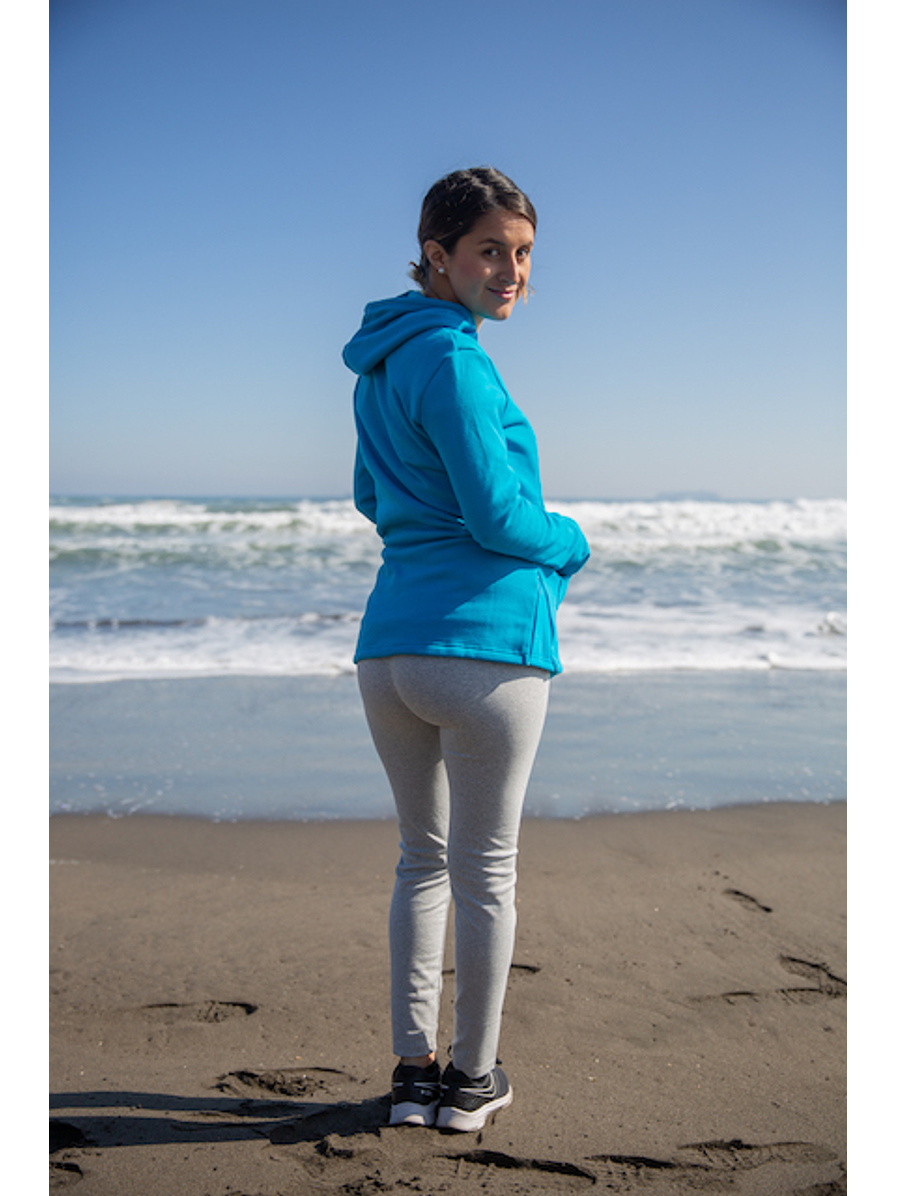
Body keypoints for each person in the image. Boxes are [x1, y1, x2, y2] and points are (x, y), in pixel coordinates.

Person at [342, 167, 590, 1132]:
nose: (511, 271)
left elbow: (371, 498)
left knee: (421, 861)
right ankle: (470, 1082)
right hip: (483, 648)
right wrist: (568, 541)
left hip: (390, 651)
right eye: (490, 250)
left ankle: (413, 1076)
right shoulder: (455, 360)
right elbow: (497, 517)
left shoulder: (380, 362)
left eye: (522, 253)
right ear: (437, 254)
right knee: (485, 874)